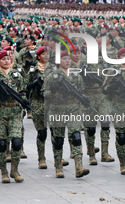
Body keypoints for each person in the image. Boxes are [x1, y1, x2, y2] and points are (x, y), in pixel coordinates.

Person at [0, 50, 27, 183]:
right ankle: (4, 172)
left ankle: (15, 170)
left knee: (17, 142)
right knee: (2, 144)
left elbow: (23, 91)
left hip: (14, 111)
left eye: (8, 58)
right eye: (3, 59)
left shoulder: (17, 75)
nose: (7, 61)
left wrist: (24, 100)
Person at [45, 50, 90, 178]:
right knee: (58, 140)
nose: (68, 61)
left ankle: (79, 166)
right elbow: (43, 93)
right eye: (64, 59)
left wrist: (85, 99)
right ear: (59, 61)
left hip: (73, 109)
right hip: (57, 109)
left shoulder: (76, 76)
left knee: (76, 136)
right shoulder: (52, 76)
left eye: (69, 59)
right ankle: (59, 167)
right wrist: (51, 92)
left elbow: (81, 91)